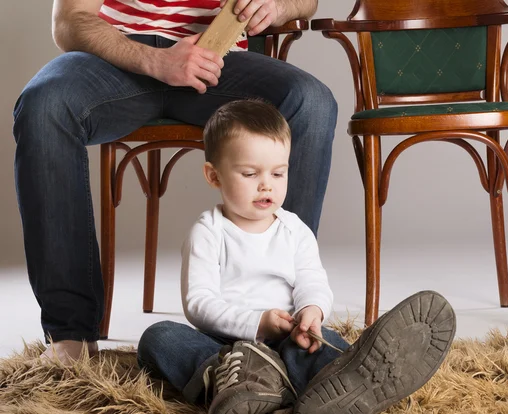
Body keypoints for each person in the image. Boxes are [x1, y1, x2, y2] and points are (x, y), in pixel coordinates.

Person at [13, 0, 337, 364]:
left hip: (218, 61)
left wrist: (280, 6)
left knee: (312, 102)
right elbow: (69, 22)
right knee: (43, 107)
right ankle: (70, 333)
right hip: (119, 59)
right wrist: (158, 62)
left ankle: (288, 321)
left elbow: (305, 2)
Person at [137, 99, 457, 414]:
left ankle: (344, 382)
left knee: (323, 341)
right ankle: (247, 384)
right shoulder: (209, 231)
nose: (266, 186)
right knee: (159, 338)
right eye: (250, 174)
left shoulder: (294, 229)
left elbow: (311, 280)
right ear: (213, 175)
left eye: (278, 173)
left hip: (288, 335)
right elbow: (199, 303)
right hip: (227, 348)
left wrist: (311, 312)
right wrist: (257, 323)